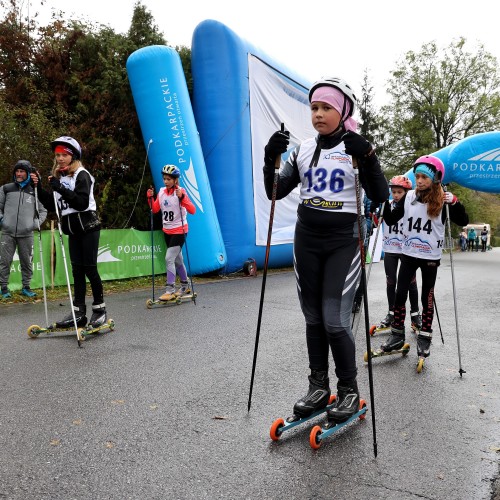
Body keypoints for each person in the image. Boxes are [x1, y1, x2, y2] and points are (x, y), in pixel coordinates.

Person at [262, 77, 388, 424]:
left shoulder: (355, 148)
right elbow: (275, 191)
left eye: (326, 107)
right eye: (314, 107)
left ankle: (348, 390)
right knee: (313, 318)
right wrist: (269, 157)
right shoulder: (303, 149)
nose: (318, 114)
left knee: (334, 319)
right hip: (307, 239)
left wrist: (369, 156)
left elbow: (380, 196)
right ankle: (318, 386)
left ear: (343, 110)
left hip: (343, 242)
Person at [380, 155, 468, 360]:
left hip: (430, 256)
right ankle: (397, 335)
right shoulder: (409, 197)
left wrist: (455, 202)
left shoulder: (443, 199)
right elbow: (392, 219)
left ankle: (425, 337)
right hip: (409, 254)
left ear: (436, 178)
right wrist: (384, 202)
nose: (419, 181)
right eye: (417, 176)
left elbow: (464, 220)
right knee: (400, 294)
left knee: (427, 298)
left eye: (424, 177)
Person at [33, 136, 107, 328]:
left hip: (88, 227)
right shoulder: (60, 178)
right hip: (72, 230)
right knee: (77, 271)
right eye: (57, 155)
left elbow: (81, 203)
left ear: (73, 156)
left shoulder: (81, 175)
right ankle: (79, 312)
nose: (60, 158)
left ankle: (100, 310)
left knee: (90, 268)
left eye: (64, 155)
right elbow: (52, 205)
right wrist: (39, 187)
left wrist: (60, 188)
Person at [146, 165, 196, 301]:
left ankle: (170, 290)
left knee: (169, 258)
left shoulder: (180, 192)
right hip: (167, 231)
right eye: (164, 179)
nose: (166, 181)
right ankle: (185, 285)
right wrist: (150, 198)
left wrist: (183, 197)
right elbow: (155, 209)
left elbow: (192, 210)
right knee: (178, 260)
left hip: (180, 231)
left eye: (169, 179)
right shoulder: (161, 192)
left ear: (175, 180)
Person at [378, 175, 421, 331]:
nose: (395, 195)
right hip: (390, 248)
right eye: (393, 192)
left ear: (406, 193)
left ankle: (415, 314)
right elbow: (377, 222)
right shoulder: (388, 204)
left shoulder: (411, 206)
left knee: (411, 282)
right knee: (391, 281)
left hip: (406, 250)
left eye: (399, 192)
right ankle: (392, 313)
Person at [0, 160, 47, 299]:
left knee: (27, 262)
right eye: (17, 171)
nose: (19, 174)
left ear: (27, 173)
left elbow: (43, 210)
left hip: (26, 233)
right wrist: (3, 221)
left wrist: (35, 224)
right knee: (4, 261)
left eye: (22, 171)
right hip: (7, 232)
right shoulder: (5, 188)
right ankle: (3, 288)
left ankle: (26, 287)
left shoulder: (35, 191)